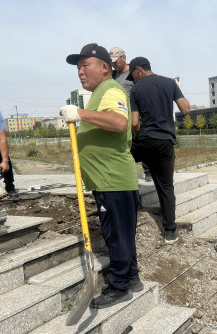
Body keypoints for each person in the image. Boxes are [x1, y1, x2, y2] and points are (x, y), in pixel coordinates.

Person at [60, 43, 142, 309]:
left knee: (116, 235)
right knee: (122, 232)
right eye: (78, 68)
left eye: (85, 66)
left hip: (112, 179)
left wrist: (79, 113)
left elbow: (119, 123)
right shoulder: (101, 93)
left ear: (104, 67)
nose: (80, 72)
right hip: (111, 180)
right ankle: (131, 277)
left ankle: (118, 286)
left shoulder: (110, 89)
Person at [127, 56, 190, 244]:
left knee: (123, 162)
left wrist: (138, 134)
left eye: (133, 76)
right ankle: (170, 232)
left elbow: (135, 122)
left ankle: (130, 211)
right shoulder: (169, 83)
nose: (133, 80)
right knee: (166, 186)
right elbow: (185, 109)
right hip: (165, 142)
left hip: (145, 141)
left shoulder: (136, 89)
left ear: (139, 69)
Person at [109, 46, 152, 182]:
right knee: (125, 146)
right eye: (112, 62)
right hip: (120, 116)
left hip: (135, 114)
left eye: (116, 61)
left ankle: (149, 171)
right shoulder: (113, 75)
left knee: (141, 142)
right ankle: (126, 172)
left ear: (124, 58)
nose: (114, 64)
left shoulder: (132, 74)